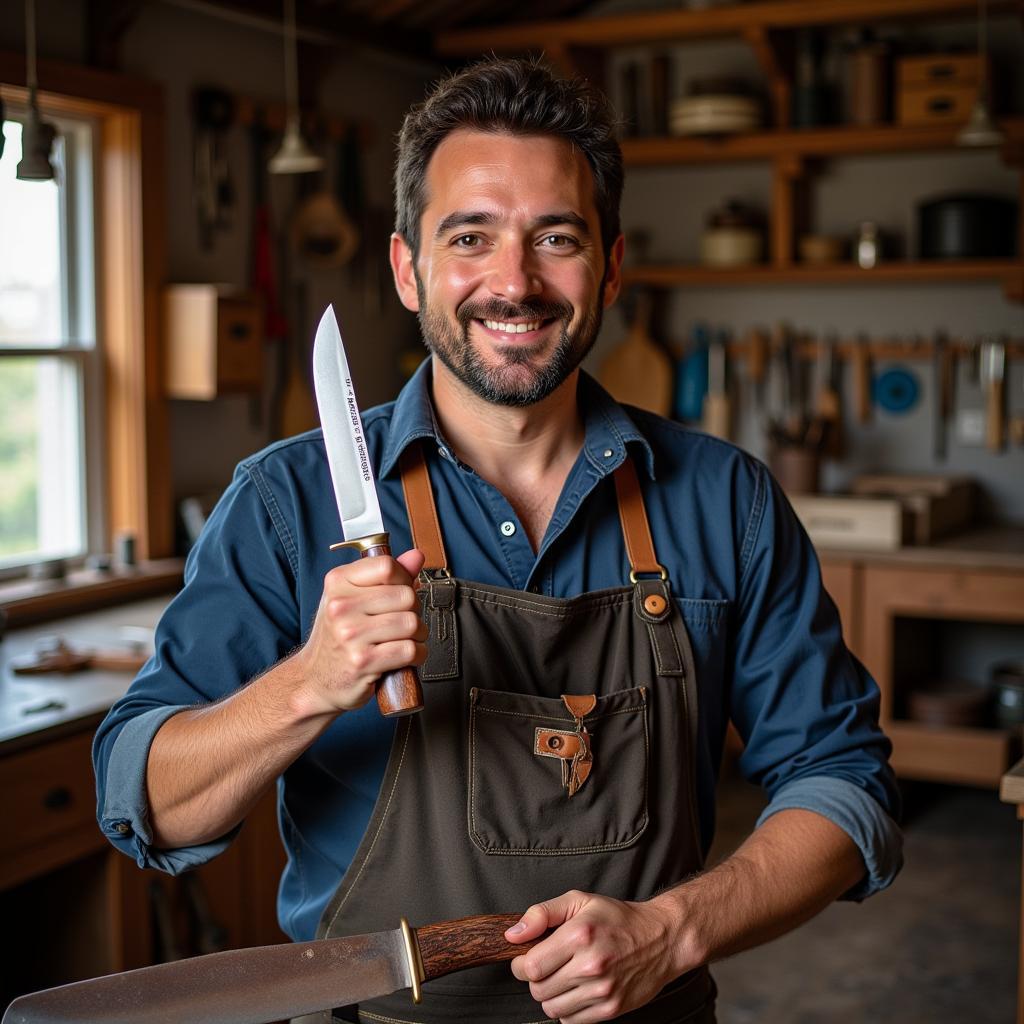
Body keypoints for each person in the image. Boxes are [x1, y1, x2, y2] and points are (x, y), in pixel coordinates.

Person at [94, 57, 901, 1024]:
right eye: (469, 236)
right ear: (408, 268)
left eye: (554, 237)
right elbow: (149, 802)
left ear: (609, 264)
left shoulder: (725, 500)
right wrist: (307, 684)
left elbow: (847, 787)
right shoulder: (284, 504)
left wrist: (675, 931)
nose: (513, 283)